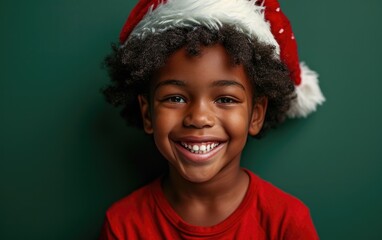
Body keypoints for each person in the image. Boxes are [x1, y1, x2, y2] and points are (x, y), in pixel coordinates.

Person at [99, 0, 325, 239]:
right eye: (175, 98)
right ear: (147, 114)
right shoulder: (122, 226)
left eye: (226, 99)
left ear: (256, 114)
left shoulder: (286, 222)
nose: (198, 118)